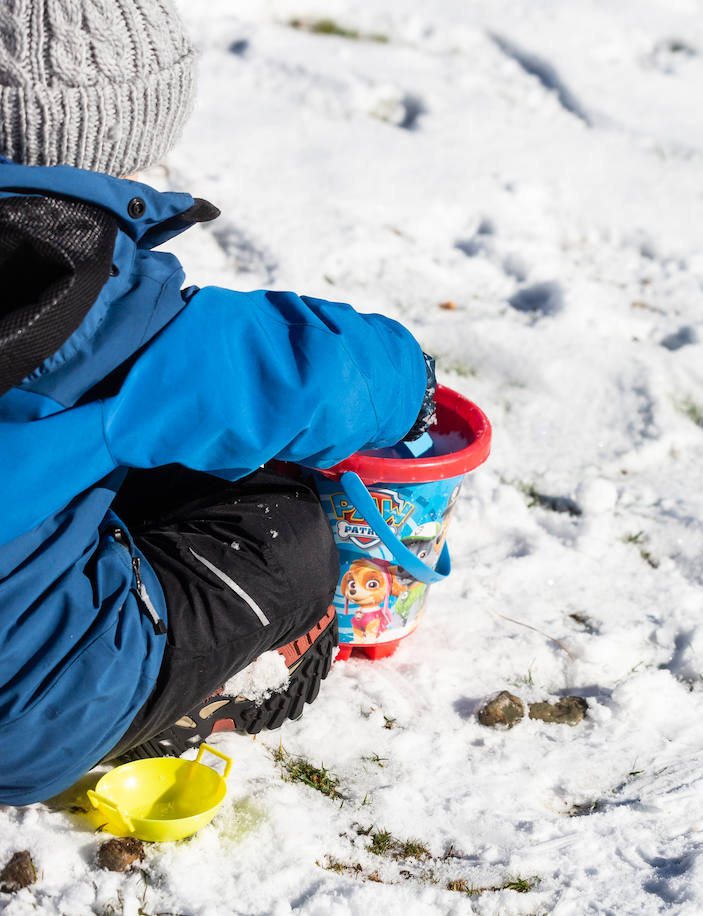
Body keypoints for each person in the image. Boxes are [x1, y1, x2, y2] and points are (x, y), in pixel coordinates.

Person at [0, 0, 435, 805]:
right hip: (23, 709)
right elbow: (314, 372)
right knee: (284, 524)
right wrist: (417, 387)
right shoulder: (91, 300)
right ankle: (212, 687)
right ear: (119, 140)